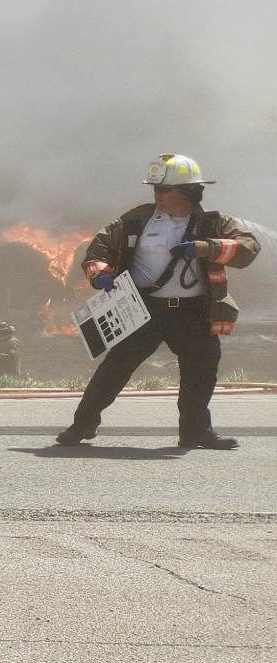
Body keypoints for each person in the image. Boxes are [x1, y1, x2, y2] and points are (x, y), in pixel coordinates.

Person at [56, 154, 260, 450]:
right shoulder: (138, 219)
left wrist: (206, 248)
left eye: (164, 190)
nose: (157, 195)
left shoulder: (214, 223)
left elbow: (248, 248)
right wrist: (100, 274)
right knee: (114, 370)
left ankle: (196, 432)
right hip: (144, 309)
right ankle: (82, 425)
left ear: (189, 192)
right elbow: (100, 247)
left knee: (201, 372)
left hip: (193, 312)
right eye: (155, 189)